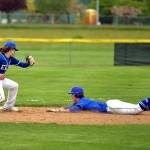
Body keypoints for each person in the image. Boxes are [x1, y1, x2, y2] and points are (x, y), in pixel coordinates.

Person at [47, 86, 150, 115]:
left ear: (76, 95)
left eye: (72, 94)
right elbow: (69, 107)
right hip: (111, 106)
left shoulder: (82, 102)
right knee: (140, 109)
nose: (71, 96)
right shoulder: (80, 101)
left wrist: (59, 111)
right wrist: (57, 109)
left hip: (113, 107)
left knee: (138, 108)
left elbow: (73, 110)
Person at [0, 41, 35, 112]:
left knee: (14, 86)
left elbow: (22, 65)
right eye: (14, 50)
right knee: (1, 98)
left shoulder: (10, 59)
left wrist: (29, 63)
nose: (14, 51)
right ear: (9, 49)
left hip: (0, 80)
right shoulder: (0, 57)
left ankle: (8, 107)